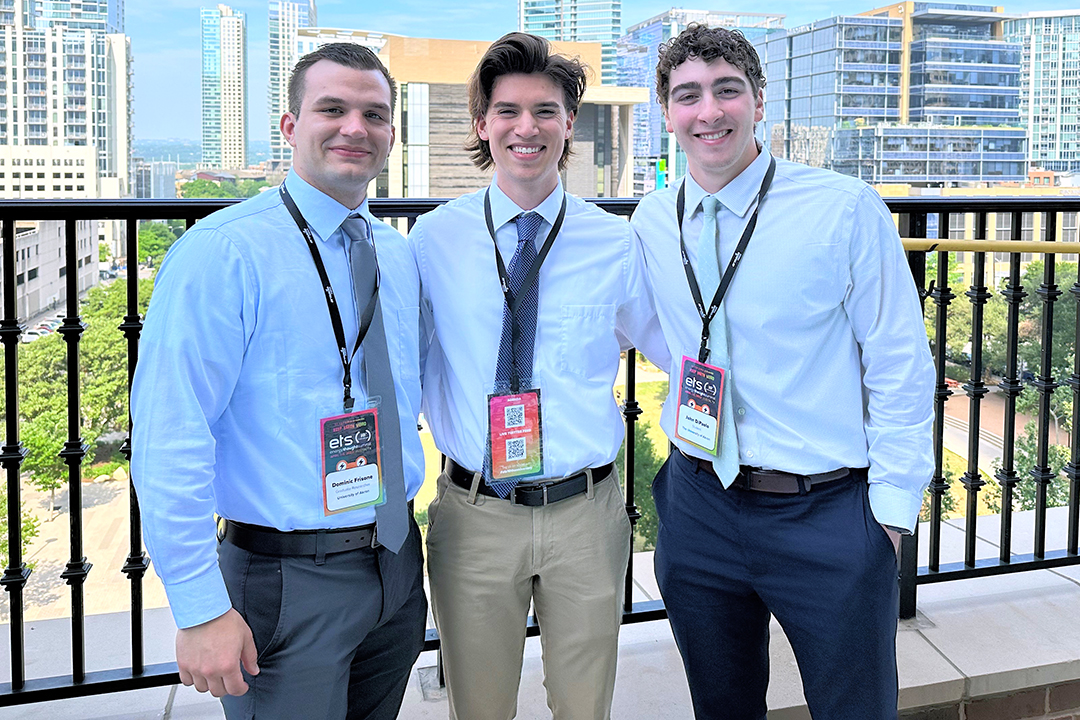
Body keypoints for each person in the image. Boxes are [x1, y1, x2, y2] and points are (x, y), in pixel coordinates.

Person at [630, 24, 934, 720]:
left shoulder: (842, 208)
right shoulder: (652, 218)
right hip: (699, 505)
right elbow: (655, 334)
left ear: (760, 101)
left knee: (853, 709)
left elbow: (898, 363)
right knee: (722, 707)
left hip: (825, 514)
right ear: (667, 112)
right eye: (687, 96)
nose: (709, 111)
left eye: (727, 90)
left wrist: (888, 518)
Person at [130, 42, 426, 720]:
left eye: (375, 114)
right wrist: (201, 609)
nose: (356, 127)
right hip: (285, 577)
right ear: (290, 128)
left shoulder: (399, 257)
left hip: (397, 566)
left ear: (390, 134)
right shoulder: (223, 252)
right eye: (333, 109)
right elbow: (173, 433)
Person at [408, 32, 668, 720]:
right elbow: (402, 363)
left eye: (546, 111)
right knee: (480, 707)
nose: (528, 127)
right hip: (473, 514)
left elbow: (676, 346)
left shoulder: (616, 242)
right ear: (482, 124)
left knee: (585, 708)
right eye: (509, 110)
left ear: (568, 124)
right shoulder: (433, 239)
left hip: (586, 515)